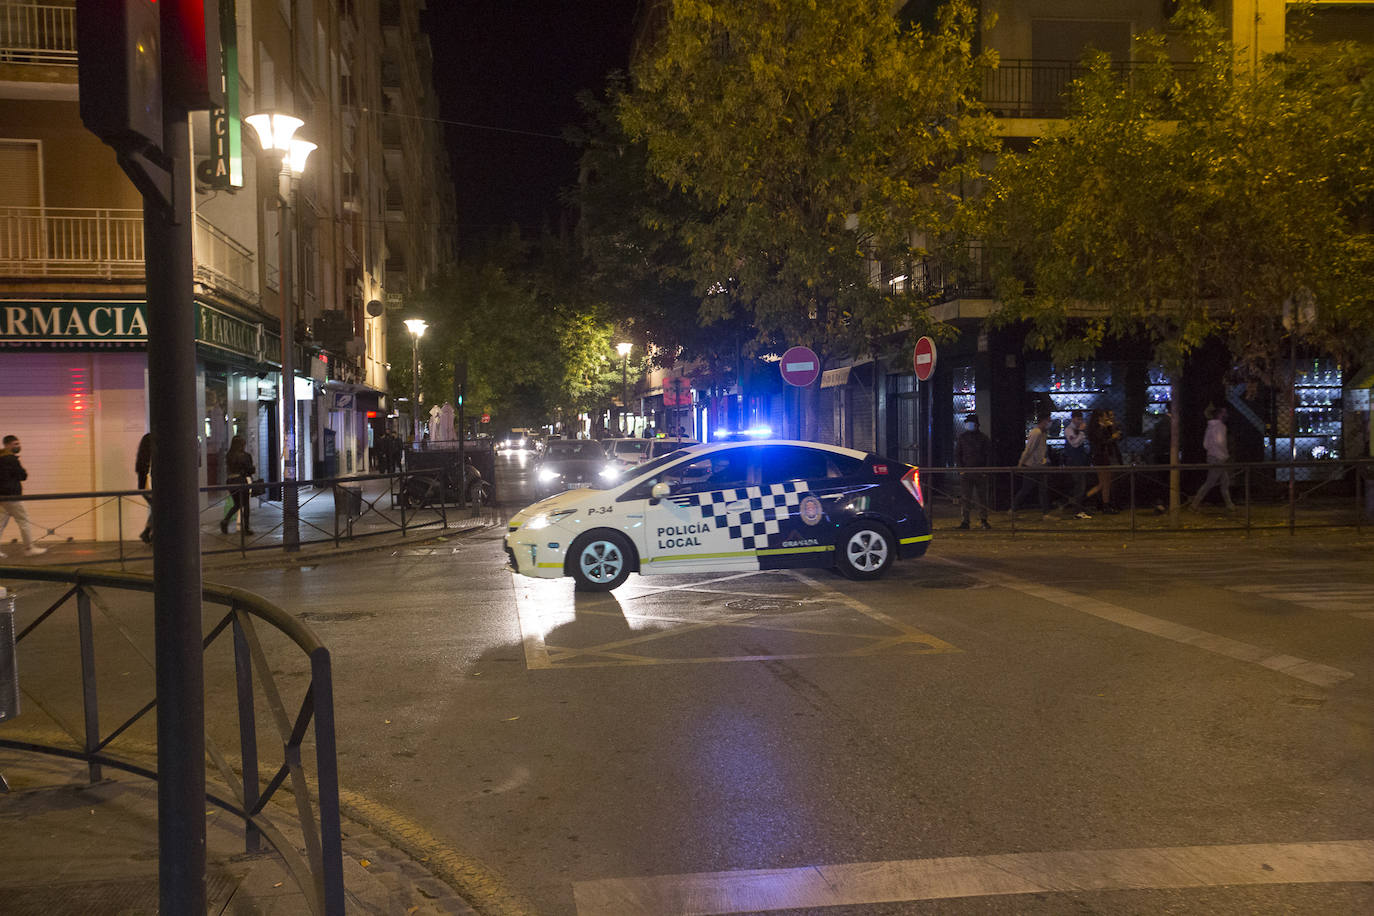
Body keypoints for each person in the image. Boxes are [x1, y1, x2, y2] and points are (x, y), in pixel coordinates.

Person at [0, 435, 47, 557]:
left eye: (18, 443)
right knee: (24, 522)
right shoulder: (11, 459)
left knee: (1, 523)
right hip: (13, 496)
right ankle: (29, 548)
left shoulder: (1, 458)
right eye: (15, 444)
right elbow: (23, 476)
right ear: (7, 445)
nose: (18, 446)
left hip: (2, 496)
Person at [1190, 405, 1235, 511]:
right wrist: (1224, 454)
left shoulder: (1210, 426)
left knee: (1224, 482)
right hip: (1219, 457)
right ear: (1219, 415)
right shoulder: (1221, 427)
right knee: (1211, 482)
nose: (1226, 415)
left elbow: (1205, 444)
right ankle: (1194, 504)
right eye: (1224, 413)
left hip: (1212, 456)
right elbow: (1220, 442)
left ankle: (1229, 505)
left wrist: (1212, 450)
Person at [954, 413, 993, 530]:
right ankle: (966, 521)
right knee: (966, 498)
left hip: (979, 471)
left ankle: (983, 520)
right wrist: (961, 469)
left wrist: (985, 471)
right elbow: (957, 454)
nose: (968, 425)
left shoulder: (983, 438)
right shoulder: (963, 437)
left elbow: (989, 456)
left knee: (981, 497)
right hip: (967, 472)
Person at [1010, 414, 1053, 517]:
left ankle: (1045, 512)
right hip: (1032, 466)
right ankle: (1013, 508)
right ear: (1043, 421)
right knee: (1027, 489)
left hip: (1039, 464)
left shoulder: (1042, 433)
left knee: (1041, 489)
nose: (1050, 423)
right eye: (1048, 420)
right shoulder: (1036, 433)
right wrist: (1020, 464)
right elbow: (1029, 449)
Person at [1085, 409, 1123, 514]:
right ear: (1100, 417)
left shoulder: (1102, 427)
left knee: (1106, 482)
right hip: (1100, 457)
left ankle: (1104, 504)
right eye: (1105, 416)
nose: (1107, 418)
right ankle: (1086, 498)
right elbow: (1101, 442)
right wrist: (1112, 437)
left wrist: (1110, 429)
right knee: (1104, 483)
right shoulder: (1096, 429)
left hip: (1104, 456)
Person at [1060, 410, 1093, 519]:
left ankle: (1078, 508)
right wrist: (1081, 432)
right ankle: (1077, 510)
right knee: (1079, 485)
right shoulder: (1069, 430)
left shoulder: (1074, 430)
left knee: (1080, 485)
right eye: (1078, 419)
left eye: (1081, 419)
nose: (1080, 421)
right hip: (1074, 460)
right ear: (1073, 418)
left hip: (1080, 460)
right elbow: (1074, 444)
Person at [221, 436, 256, 535]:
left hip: (230, 481)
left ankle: (225, 521)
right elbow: (249, 470)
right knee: (246, 504)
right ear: (242, 445)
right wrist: (252, 469)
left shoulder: (229, 455)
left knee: (237, 504)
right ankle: (246, 528)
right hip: (241, 481)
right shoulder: (245, 455)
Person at [135, 433, 153, 543]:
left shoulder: (146, 439)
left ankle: (149, 532)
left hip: (143, 486)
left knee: (158, 508)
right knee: (160, 508)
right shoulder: (154, 439)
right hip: (151, 486)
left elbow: (138, 469)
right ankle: (147, 532)